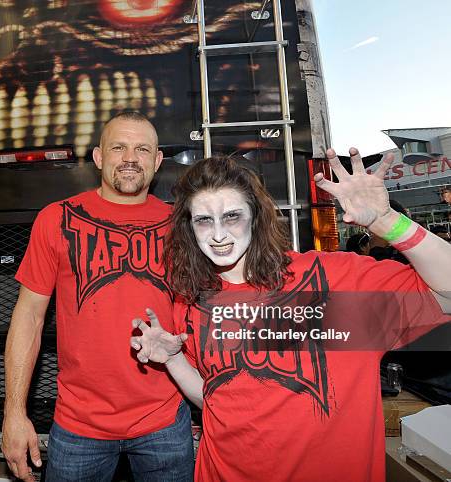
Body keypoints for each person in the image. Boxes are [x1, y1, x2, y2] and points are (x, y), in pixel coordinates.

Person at [130, 150, 451, 482]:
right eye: (204, 220)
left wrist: (386, 221)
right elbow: (217, 397)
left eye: (232, 216)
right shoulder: (192, 300)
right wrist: (173, 361)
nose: (218, 234)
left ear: (256, 217)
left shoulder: (333, 280)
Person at [2, 112, 194, 482]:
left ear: (157, 161)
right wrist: (13, 413)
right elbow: (29, 318)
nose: (130, 158)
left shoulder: (181, 225)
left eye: (142, 149)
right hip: (79, 426)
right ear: (99, 157)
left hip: (165, 421)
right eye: (118, 147)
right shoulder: (56, 219)